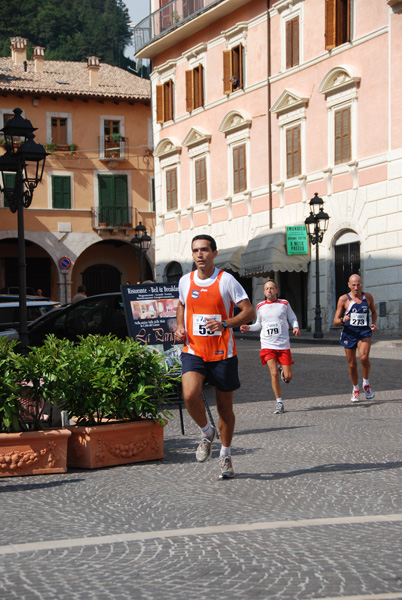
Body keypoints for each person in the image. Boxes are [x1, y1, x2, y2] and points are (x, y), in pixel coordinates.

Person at [174, 234, 255, 480]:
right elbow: (181, 305)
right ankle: (207, 432)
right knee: (189, 394)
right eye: (195, 250)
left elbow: (249, 312)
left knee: (225, 409)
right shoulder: (185, 281)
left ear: (214, 253)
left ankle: (225, 455)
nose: (200, 254)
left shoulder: (226, 281)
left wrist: (225, 324)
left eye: (205, 250)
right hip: (194, 349)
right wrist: (179, 327)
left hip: (223, 353)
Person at [240, 279, 300, 414]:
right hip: (267, 344)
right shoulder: (260, 306)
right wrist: (248, 327)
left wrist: (295, 327)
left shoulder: (284, 304)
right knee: (273, 373)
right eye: (267, 289)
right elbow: (258, 325)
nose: (269, 291)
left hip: (283, 344)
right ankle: (279, 402)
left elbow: (293, 318)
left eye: (272, 288)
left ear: (277, 290)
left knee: (288, 376)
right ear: (264, 291)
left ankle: (282, 372)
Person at [334, 273, 378, 403]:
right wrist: (343, 319)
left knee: (364, 358)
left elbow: (374, 312)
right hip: (349, 333)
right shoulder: (343, 299)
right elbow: (335, 321)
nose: (356, 287)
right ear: (349, 285)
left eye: (358, 284)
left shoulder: (367, 297)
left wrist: (374, 324)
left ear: (361, 284)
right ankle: (355, 388)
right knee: (352, 364)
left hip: (364, 332)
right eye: (353, 285)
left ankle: (366, 383)